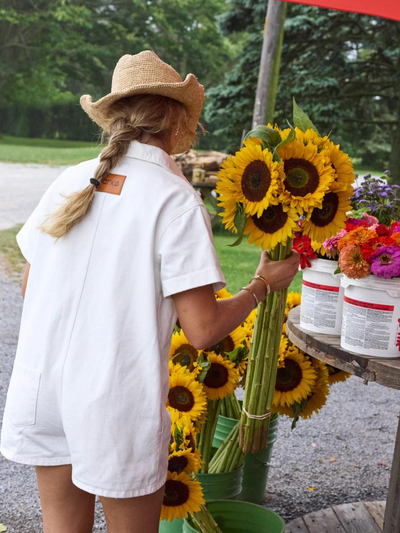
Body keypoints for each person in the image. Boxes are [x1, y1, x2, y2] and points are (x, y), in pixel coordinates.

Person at [0, 51, 299, 533]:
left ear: (115, 116)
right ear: (177, 120)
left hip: (45, 391)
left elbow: (30, 286)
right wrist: (264, 284)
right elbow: (203, 331)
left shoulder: (70, 180)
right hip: (117, 402)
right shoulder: (173, 198)